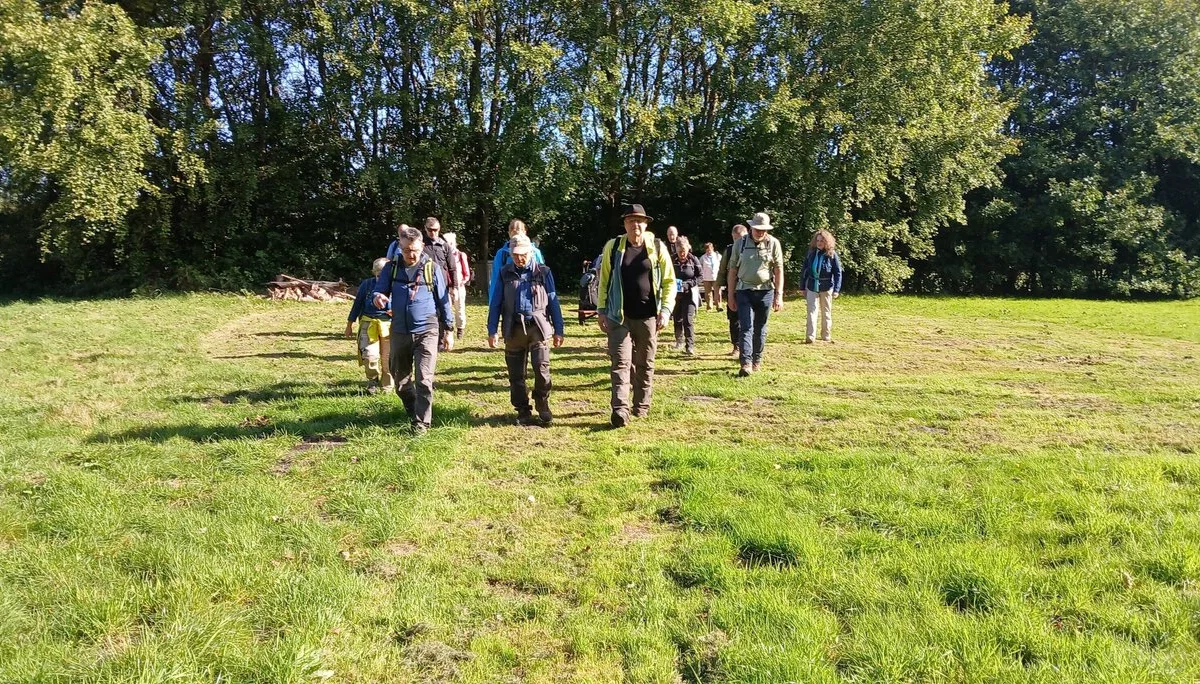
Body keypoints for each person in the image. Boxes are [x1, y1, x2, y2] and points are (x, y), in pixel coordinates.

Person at [597, 204, 675, 427]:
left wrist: (665, 311)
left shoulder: (657, 247)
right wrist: (601, 310)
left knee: (645, 363)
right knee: (620, 363)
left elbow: (669, 281)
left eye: (639, 221)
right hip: (618, 316)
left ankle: (641, 406)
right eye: (631, 221)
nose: (635, 225)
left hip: (649, 316)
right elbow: (604, 281)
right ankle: (620, 409)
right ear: (624, 224)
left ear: (646, 224)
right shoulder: (613, 247)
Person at [372, 226, 454, 434]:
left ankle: (421, 423)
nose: (411, 254)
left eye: (415, 250)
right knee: (400, 379)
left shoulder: (432, 268)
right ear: (400, 247)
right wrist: (378, 297)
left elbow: (443, 301)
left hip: (427, 330)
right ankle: (413, 407)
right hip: (399, 330)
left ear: (422, 246)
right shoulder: (391, 268)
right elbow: (379, 290)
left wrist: (449, 330)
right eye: (406, 250)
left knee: (424, 379)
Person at [487, 235, 565, 425]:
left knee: (542, 369)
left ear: (530, 252)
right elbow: (495, 302)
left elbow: (553, 302)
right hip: (513, 329)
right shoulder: (504, 273)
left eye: (522, 254)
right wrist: (492, 330)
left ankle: (542, 403)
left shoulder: (543, 272)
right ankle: (522, 409)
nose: (519, 258)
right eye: (515, 255)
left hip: (537, 328)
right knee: (516, 375)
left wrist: (559, 329)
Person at [726, 212, 784, 376]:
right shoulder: (740, 244)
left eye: (763, 229)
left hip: (765, 292)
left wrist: (779, 295)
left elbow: (778, 270)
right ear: (751, 227)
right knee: (746, 327)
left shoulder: (773, 244)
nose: (760, 232)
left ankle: (757, 360)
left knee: (760, 328)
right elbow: (732, 270)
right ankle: (746, 363)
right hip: (744, 290)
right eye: (757, 229)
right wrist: (730, 296)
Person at [345, 257, 393, 394]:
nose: (380, 277)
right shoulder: (366, 284)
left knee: (388, 359)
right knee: (369, 355)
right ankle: (372, 380)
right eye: (378, 274)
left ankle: (387, 387)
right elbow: (357, 304)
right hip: (368, 323)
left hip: (389, 325)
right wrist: (349, 325)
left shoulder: (396, 285)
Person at [488, 219, 545, 304]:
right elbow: (496, 280)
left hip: (528, 296)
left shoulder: (535, 252)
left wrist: (493, 304)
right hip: (517, 298)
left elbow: (542, 275)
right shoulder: (503, 253)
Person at [802, 229, 843, 343]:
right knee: (811, 311)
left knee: (826, 312)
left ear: (827, 242)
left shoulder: (832, 255)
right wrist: (802, 286)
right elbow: (804, 270)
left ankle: (826, 335)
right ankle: (810, 337)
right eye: (818, 240)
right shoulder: (811, 253)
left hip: (826, 287)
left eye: (822, 241)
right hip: (812, 286)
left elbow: (838, 272)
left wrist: (836, 289)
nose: (819, 243)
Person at [716, 224, 748, 356]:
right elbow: (722, 271)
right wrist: (717, 289)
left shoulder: (751, 249)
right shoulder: (729, 251)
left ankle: (747, 347)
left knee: (747, 319)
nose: (738, 241)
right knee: (734, 320)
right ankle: (736, 345)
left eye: (741, 238)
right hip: (733, 290)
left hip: (748, 289)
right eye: (735, 239)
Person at [672, 237, 702, 355]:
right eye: (680, 251)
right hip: (675, 294)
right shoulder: (671, 260)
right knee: (677, 318)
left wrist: (689, 284)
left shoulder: (693, 260)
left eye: (684, 251)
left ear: (688, 249)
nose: (682, 254)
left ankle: (689, 346)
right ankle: (679, 341)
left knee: (688, 319)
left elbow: (700, 276)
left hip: (690, 294)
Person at [442, 232, 472, 340]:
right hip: (446, 287)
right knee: (446, 308)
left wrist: (462, 282)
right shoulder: (443, 255)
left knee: (459, 308)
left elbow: (466, 273)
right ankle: (448, 329)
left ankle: (460, 329)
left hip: (459, 287)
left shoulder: (460, 255)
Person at [699, 242, 722, 312]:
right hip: (706, 278)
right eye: (707, 250)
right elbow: (700, 266)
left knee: (718, 292)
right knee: (708, 293)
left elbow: (722, 265)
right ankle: (709, 307)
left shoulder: (718, 256)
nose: (708, 251)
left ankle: (719, 306)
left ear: (712, 248)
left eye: (709, 249)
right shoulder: (703, 257)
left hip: (716, 277)